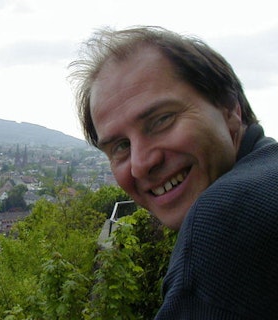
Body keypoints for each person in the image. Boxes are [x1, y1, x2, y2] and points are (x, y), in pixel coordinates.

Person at [69, 26, 278, 319]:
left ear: (230, 110)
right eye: (120, 146)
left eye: (162, 120)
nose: (141, 164)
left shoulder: (222, 217)